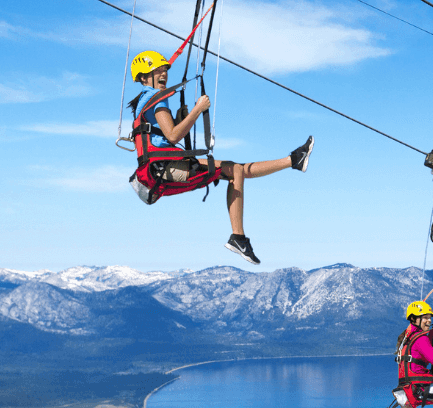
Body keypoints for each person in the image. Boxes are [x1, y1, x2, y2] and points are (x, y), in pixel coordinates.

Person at [127, 50, 313, 265]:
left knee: (236, 170)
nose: (163, 75)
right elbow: (173, 135)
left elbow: (164, 136)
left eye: (164, 70)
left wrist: (183, 117)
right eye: (156, 71)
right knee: (234, 170)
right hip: (164, 167)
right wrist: (198, 109)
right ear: (143, 77)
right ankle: (238, 237)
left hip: (161, 165)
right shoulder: (155, 98)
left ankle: (294, 160)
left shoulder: (146, 100)